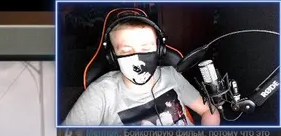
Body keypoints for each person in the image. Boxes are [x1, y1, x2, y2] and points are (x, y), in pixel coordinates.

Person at [63, 16, 221, 127]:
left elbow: (209, 111)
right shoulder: (100, 93)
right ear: (112, 56)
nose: (137, 58)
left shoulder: (171, 75)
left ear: (159, 50)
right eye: (126, 51)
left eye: (145, 49)